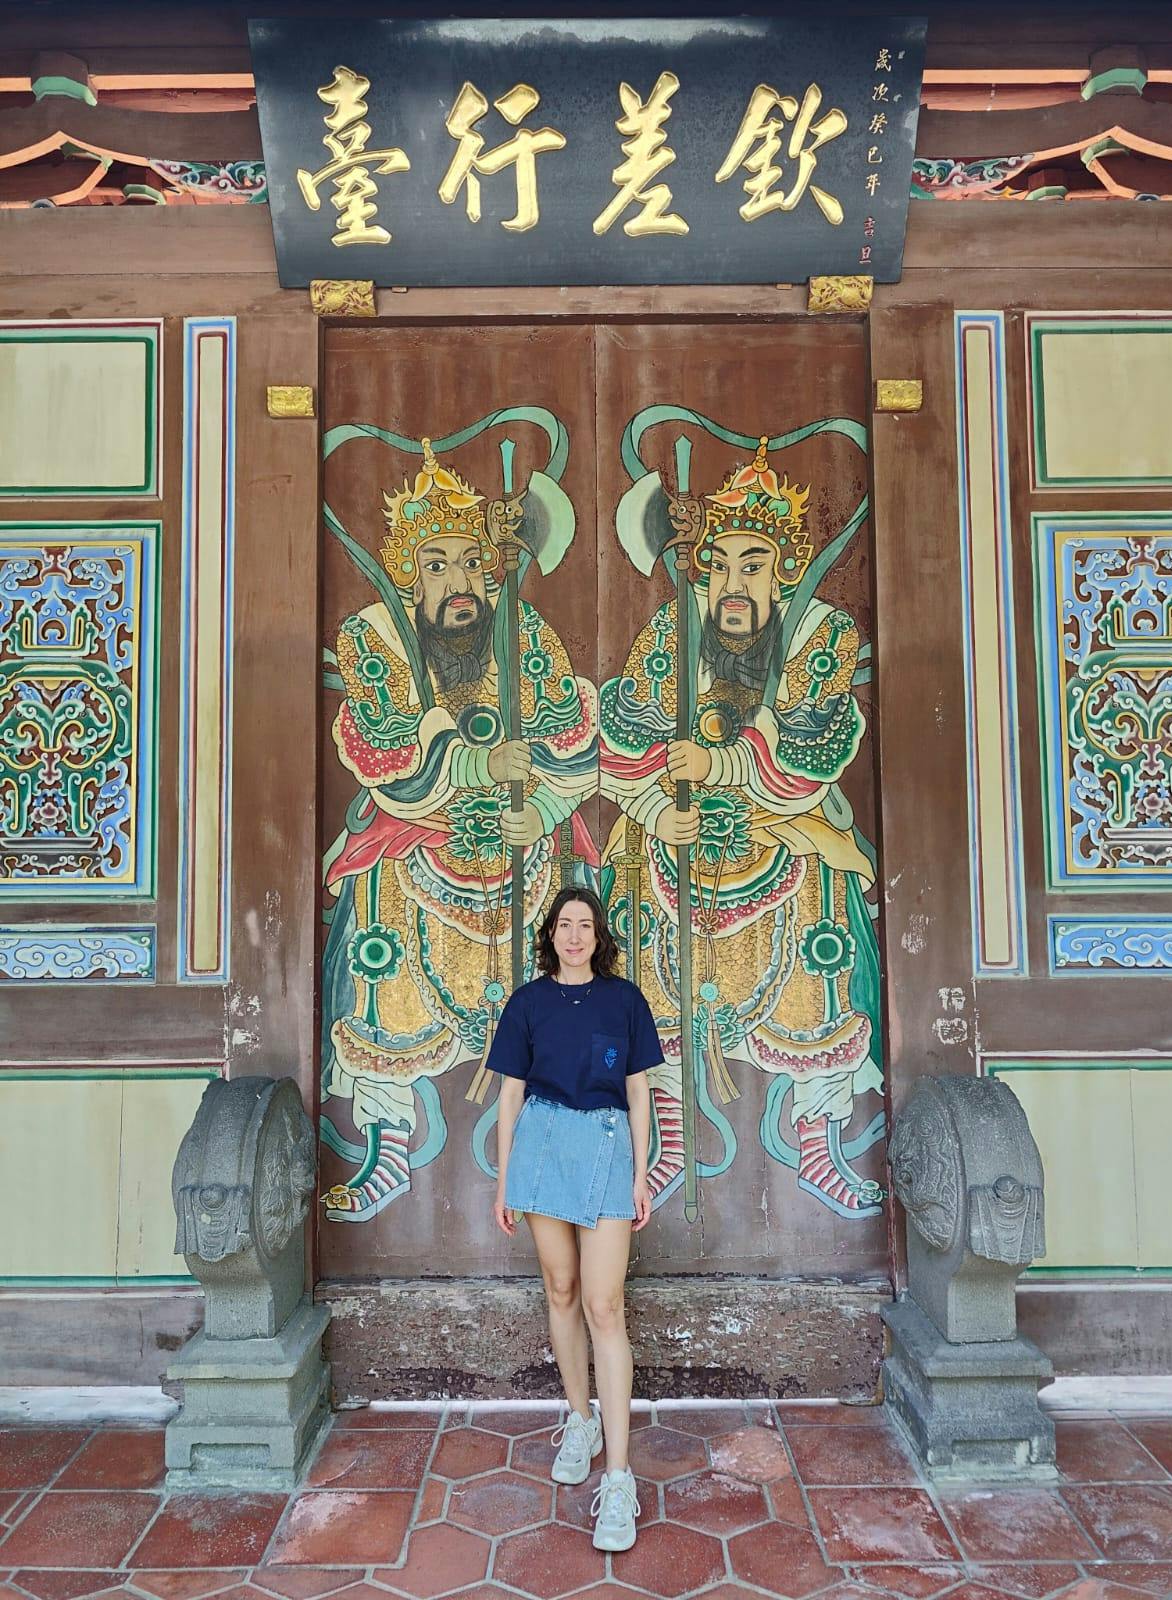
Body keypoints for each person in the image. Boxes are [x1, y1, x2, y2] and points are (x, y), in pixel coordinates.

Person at [600, 438, 883, 1218]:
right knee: (641, 938)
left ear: (782, 570)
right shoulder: (675, 629)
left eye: (751, 566)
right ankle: (666, 1142)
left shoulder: (821, 633)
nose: (732, 584)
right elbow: (622, 741)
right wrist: (656, 806)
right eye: (718, 565)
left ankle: (818, 1146)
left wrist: (721, 763)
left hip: (785, 824)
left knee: (820, 940)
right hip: (681, 835)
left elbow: (812, 748)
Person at [320, 440, 597, 1219]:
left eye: (472, 563)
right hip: (418, 830)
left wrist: (540, 801)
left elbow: (568, 735)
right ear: (410, 574)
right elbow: (386, 743)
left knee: (574, 913)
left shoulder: (520, 628)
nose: (458, 583)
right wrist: (476, 763)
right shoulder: (375, 635)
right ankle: (387, 1147)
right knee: (379, 928)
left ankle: (564, 1140)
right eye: (437, 565)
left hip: (518, 837)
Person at [489, 885, 659, 1552]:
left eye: (586, 924)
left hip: (609, 1149)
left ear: (599, 935)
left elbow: (639, 1093)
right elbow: (510, 1096)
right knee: (560, 1290)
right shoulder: (527, 1003)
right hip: (542, 1148)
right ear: (551, 935)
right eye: (565, 924)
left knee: (603, 1304)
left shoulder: (625, 1000)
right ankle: (580, 1420)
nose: (576, 935)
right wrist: (505, 1180)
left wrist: (641, 1173)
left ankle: (618, 1478)